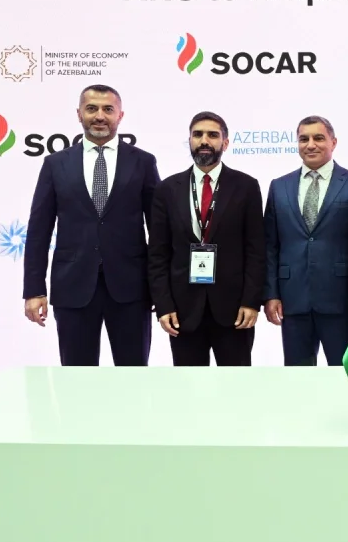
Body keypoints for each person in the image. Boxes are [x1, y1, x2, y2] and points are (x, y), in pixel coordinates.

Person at [22, 84, 159, 366]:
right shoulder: (55, 164)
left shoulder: (143, 162)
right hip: (72, 287)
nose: (99, 116)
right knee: (76, 378)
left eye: (108, 109)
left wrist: (161, 288)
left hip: (132, 289)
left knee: (135, 376)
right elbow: (38, 232)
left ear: (120, 115)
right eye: (91, 108)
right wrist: (34, 290)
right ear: (79, 114)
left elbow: (159, 230)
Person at [147, 111, 265, 366]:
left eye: (212, 135)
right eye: (197, 134)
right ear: (189, 140)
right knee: (189, 385)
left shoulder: (246, 186)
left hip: (235, 311)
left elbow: (256, 250)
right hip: (182, 311)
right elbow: (158, 253)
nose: (204, 140)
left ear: (225, 142)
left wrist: (251, 301)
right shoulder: (167, 189)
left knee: (235, 384)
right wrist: (164, 305)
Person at [263, 116, 348, 366]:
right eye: (303, 139)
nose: (310, 145)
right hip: (292, 299)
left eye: (318, 138)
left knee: (346, 375)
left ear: (333, 142)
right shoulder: (279, 186)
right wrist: (271, 294)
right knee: (298, 378)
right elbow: (270, 246)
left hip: (341, 301)